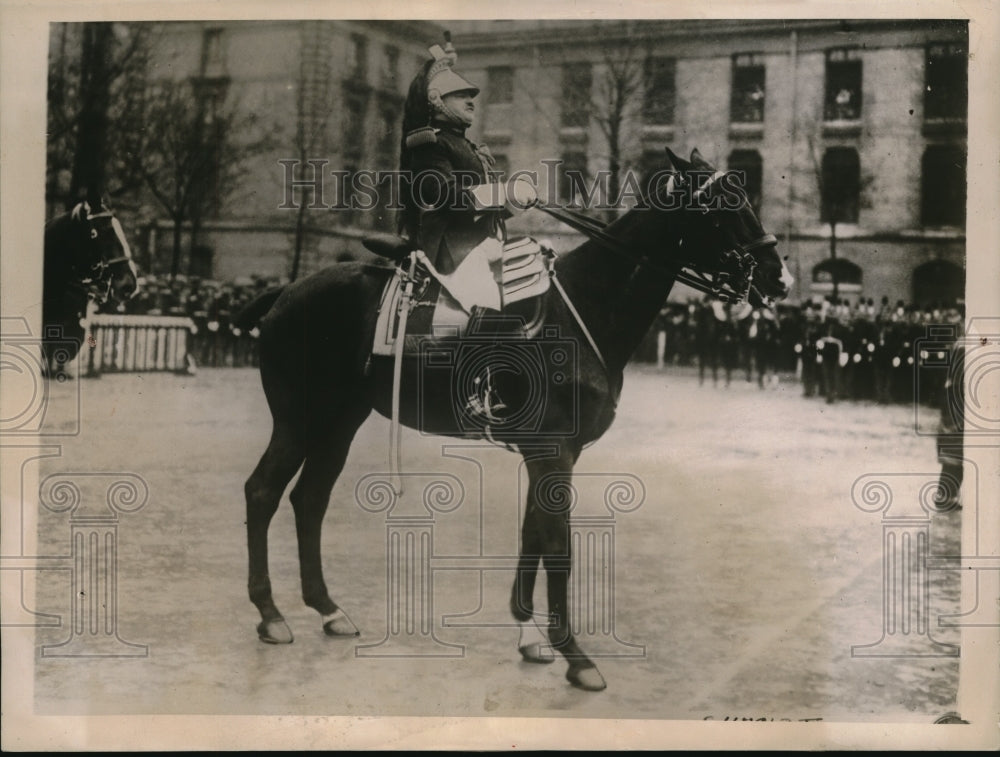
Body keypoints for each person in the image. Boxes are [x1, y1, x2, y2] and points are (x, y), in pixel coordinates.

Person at [397, 33, 537, 422]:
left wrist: (513, 199)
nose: (472, 100)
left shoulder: (471, 148)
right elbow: (442, 194)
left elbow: (487, 207)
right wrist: (501, 193)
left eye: (471, 95)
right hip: (449, 245)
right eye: (461, 95)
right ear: (438, 102)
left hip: (481, 240)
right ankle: (476, 390)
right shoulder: (429, 143)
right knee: (485, 295)